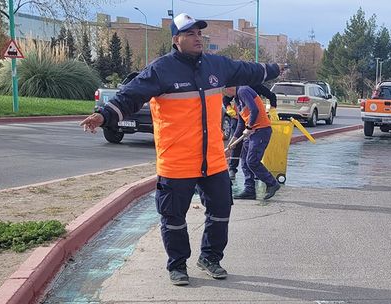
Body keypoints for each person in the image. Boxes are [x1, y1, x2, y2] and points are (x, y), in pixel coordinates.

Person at [79, 13, 285, 286]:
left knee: (221, 210)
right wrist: (104, 115)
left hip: (212, 159)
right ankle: (177, 265)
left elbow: (246, 70)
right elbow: (130, 96)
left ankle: (210, 257)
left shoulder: (216, 65)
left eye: (199, 33)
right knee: (173, 218)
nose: (197, 38)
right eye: (190, 34)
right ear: (176, 40)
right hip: (176, 161)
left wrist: (274, 69)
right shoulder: (161, 70)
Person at [223, 85, 280, 201]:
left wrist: (249, 127)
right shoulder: (237, 100)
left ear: (228, 87)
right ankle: (249, 190)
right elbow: (240, 122)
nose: (223, 95)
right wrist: (233, 140)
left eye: (222, 92)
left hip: (261, 130)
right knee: (244, 162)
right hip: (251, 133)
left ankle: (272, 183)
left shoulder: (243, 91)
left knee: (252, 161)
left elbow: (254, 109)